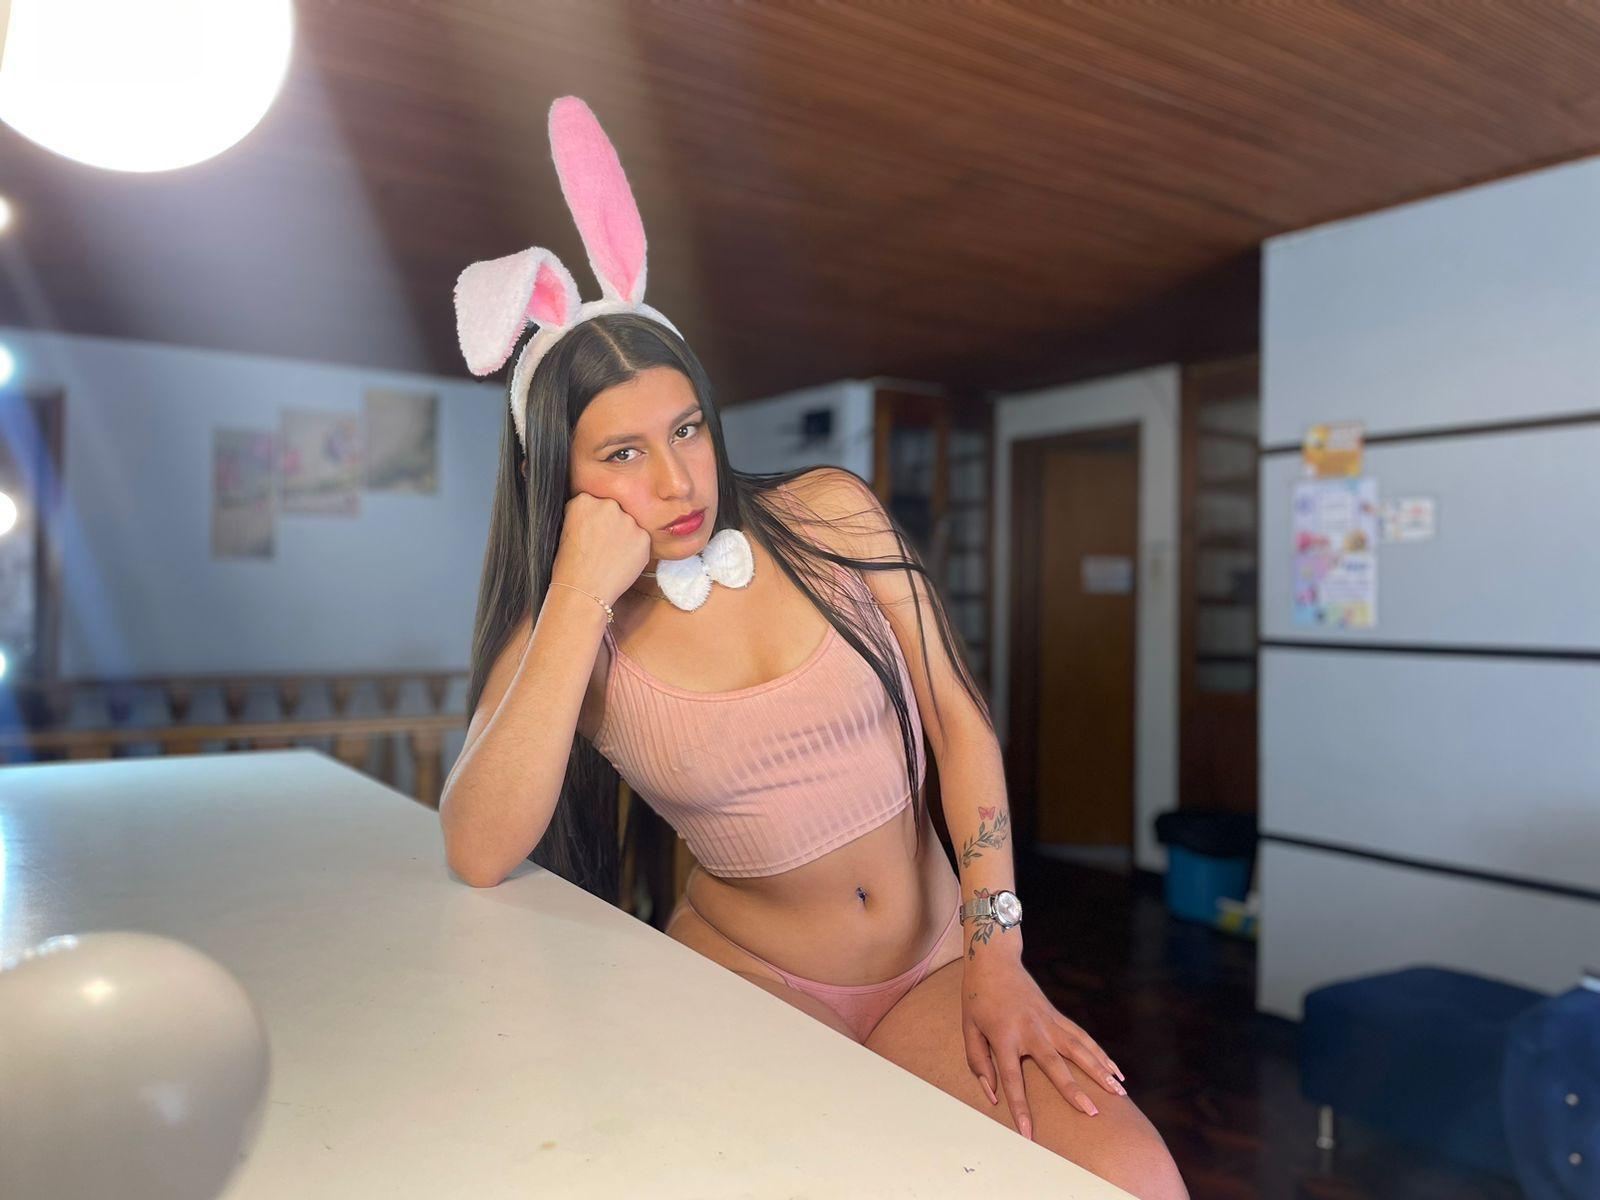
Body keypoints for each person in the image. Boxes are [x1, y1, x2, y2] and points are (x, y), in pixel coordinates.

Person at [438, 96, 1187, 1200]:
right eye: (622, 454)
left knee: (1136, 1180)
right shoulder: (563, 638)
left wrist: (997, 949)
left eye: (686, 429)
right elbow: (476, 849)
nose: (676, 480)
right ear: (558, 476)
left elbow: (960, 723)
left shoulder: (830, 514)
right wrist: (578, 598)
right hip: (743, 985)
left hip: (941, 962)